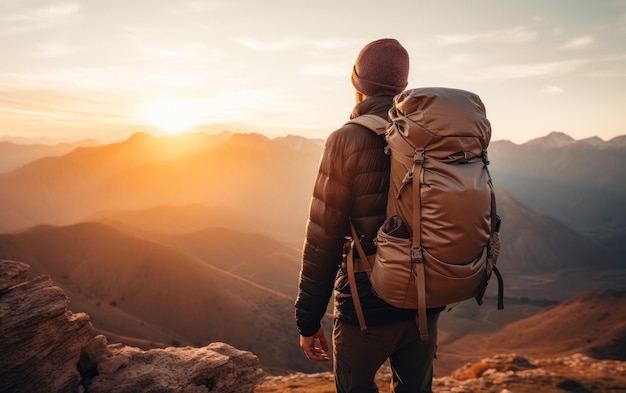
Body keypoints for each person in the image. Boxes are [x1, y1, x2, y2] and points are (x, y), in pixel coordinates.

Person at [295, 38, 442, 393]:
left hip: (366, 310)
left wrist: (308, 318)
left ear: (356, 82)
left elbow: (323, 237)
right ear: (403, 87)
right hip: (425, 302)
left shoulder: (346, 140)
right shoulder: (431, 137)